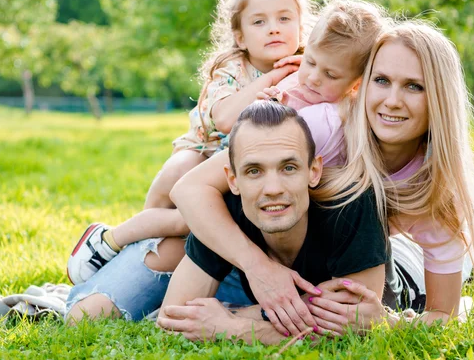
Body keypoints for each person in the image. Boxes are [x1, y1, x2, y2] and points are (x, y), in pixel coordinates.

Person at [64, 0, 388, 324]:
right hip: (224, 231)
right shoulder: (287, 93)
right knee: (89, 313)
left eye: (330, 75)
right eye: (311, 63)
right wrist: (257, 267)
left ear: (355, 85)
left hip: (278, 243)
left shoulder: (330, 123)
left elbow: (354, 318)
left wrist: (240, 320)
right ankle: (113, 243)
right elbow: (192, 188)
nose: (313, 78)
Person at [168, 20, 474, 338]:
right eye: (381, 80)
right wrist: (261, 269)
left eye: (414, 86)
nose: (392, 100)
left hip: (395, 260)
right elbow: (191, 189)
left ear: (439, 98)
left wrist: (388, 322)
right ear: (360, 84)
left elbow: (442, 316)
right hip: (293, 251)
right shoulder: (323, 127)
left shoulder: (439, 197)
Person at [66, 0, 315, 285]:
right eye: (259, 22)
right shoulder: (232, 70)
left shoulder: (307, 67)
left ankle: (128, 242)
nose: (274, 28)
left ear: (301, 26)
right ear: (239, 36)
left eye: (284, 18)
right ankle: (117, 243)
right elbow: (225, 120)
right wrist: (273, 77)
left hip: (245, 166)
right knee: (168, 187)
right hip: (204, 149)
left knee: (192, 220)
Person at [157, 100, 388, 344]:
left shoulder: (352, 204)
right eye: (254, 171)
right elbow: (173, 321)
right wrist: (305, 310)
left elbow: (352, 331)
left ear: (314, 171)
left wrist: (232, 325)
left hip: (402, 272)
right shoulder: (221, 212)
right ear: (233, 180)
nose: (273, 189)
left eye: (288, 168)